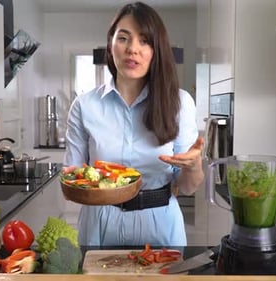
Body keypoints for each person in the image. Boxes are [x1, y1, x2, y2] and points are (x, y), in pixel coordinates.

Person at [63, 1, 205, 247]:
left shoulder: (180, 102)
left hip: (160, 225)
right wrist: (74, 179)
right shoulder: (84, 106)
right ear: (111, 45)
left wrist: (193, 167)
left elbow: (188, 187)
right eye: (124, 38)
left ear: (156, 50)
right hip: (99, 225)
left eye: (145, 41)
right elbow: (73, 177)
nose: (133, 49)